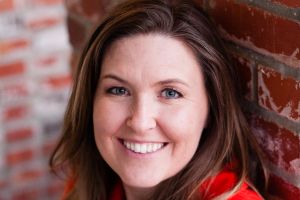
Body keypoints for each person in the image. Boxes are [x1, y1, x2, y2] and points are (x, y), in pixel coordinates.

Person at [49, 0, 267, 199]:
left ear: (211, 109)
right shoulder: (89, 179)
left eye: (171, 93)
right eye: (118, 90)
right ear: (91, 100)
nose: (140, 123)